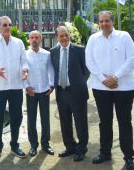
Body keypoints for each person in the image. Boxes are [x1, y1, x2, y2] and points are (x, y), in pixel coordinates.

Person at [85, 11, 134, 170]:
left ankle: (128, 156)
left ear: (112, 21)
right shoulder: (93, 39)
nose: (104, 24)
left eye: (107, 21)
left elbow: (132, 58)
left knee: (124, 121)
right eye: (101, 21)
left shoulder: (124, 36)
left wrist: (115, 77)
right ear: (98, 23)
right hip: (101, 88)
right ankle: (105, 153)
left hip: (124, 87)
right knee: (104, 121)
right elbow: (89, 61)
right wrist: (103, 79)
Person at [0, 16, 29, 159]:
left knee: (17, 116)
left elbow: (24, 61)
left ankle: (14, 145)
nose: (8, 27)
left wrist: (25, 70)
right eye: (5, 25)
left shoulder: (19, 43)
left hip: (16, 85)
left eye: (10, 24)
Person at [50, 26, 90, 162]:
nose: (64, 38)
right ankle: (70, 147)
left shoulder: (79, 50)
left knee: (80, 121)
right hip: (61, 92)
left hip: (77, 92)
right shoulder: (53, 52)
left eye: (66, 35)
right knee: (65, 121)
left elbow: (87, 69)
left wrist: (79, 83)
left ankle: (82, 148)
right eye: (61, 36)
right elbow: (54, 70)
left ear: (69, 36)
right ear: (57, 38)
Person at [25, 31, 55, 157]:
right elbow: (21, 72)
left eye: (37, 37)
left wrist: (52, 85)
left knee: (45, 118)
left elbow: (51, 70)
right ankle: (33, 145)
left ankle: (45, 143)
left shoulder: (47, 54)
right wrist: (26, 87)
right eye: (32, 37)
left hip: (44, 90)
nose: (34, 39)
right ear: (29, 39)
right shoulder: (24, 55)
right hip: (31, 91)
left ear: (41, 39)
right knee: (31, 119)